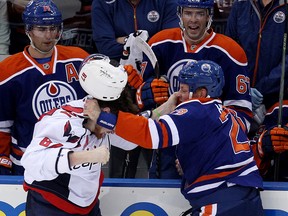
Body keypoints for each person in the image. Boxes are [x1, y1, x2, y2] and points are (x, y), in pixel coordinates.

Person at [88, 60, 264, 216]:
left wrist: (104, 118)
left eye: (183, 90)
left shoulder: (197, 109)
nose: (178, 95)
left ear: (201, 93)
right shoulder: (228, 114)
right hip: (248, 199)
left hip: (221, 202)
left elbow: (152, 134)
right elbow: (223, 152)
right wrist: (193, 162)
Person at [134, 0, 252, 179]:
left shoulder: (231, 51)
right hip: (169, 141)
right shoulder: (159, 43)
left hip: (210, 146)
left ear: (209, 16)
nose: (193, 20)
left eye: (200, 14)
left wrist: (207, 147)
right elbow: (139, 100)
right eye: (188, 13)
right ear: (180, 14)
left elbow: (242, 116)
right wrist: (147, 93)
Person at [21, 54, 141, 215]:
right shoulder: (63, 122)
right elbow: (31, 161)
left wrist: (160, 111)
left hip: (86, 203)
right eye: (113, 124)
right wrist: (86, 157)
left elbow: (131, 140)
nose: (114, 129)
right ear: (104, 112)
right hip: (51, 201)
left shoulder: (103, 118)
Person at [0, 0, 89, 175]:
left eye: (53, 28)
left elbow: (97, 105)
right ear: (28, 30)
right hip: (30, 160)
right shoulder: (8, 70)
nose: (49, 36)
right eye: (41, 29)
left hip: (73, 158)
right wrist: (3, 161)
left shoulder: (79, 59)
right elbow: (3, 124)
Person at [91, 0, 179, 178]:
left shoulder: (167, 2)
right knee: (119, 163)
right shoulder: (103, 3)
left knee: (157, 161)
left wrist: (125, 41)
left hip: (155, 88)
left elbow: (168, 44)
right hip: (118, 92)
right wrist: (137, 43)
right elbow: (105, 46)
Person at [225, 0, 288, 180]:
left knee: (276, 152)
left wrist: (261, 89)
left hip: (278, 100)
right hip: (241, 98)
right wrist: (243, 90)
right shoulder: (240, 7)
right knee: (240, 157)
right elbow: (229, 51)